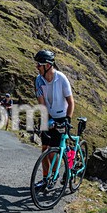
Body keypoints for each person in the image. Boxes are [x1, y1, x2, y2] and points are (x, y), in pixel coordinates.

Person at [34, 49, 75, 189]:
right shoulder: (38, 80)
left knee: (55, 150)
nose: (37, 67)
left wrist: (67, 120)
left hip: (62, 116)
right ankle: (46, 178)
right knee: (45, 148)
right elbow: (42, 104)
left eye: (39, 64)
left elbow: (71, 102)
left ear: (48, 65)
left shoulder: (61, 78)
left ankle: (55, 174)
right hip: (49, 115)